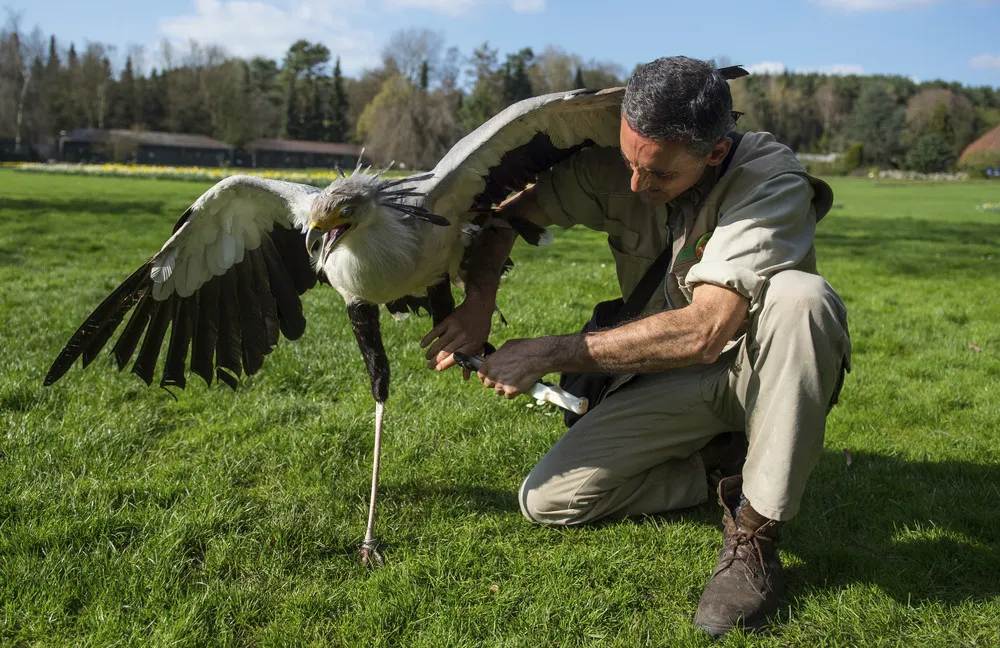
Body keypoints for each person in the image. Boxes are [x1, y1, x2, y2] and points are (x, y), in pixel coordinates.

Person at [420, 56, 851, 638]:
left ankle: (753, 535)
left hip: (759, 370)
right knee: (547, 500)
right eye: (629, 162)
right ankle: (714, 467)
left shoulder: (767, 176)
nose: (636, 186)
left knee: (803, 298)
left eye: (660, 175)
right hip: (668, 378)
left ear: (715, 153)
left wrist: (545, 353)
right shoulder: (626, 168)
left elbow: (707, 330)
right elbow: (504, 221)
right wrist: (476, 305)